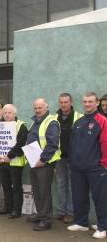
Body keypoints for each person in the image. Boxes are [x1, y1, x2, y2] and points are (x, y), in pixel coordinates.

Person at [67, 92, 107, 239]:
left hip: (96, 168)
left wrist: (104, 164)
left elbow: (105, 143)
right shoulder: (79, 122)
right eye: (85, 101)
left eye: (90, 101)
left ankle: (103, 226)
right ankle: (82, 222)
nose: (87, 104)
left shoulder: (102, 121)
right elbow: (72, 145)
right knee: (79, 197)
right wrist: (72, 162)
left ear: (97, 103)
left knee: (101, 198)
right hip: (78, 168)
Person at [26, 98, 60, 231]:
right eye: (35, 108)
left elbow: (52, 144)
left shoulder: (51, 122)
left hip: (44, 163)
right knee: (37, 190)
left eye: (40, 107)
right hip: (34, 161)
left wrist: (43, 160)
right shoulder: (35, 121)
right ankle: (41, 214)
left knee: (44, 191)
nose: (37, 110)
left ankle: (46, 220)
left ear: (46, 107)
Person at [54, 93, 83, 224]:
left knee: (72, 186)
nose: (63, 104)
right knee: (60, 185)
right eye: (61, 102)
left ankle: (70, 213)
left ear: (71, 102)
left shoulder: (79, 117)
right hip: (59, 158)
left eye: (66, 102)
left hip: (73, 158)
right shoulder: (54, 117)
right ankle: (60, 211)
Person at [0, 104, 28, 218]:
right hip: (3, 161)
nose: (7, 115)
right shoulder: (0, 126)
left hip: (15, 162)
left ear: (15, 114)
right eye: (5, 113)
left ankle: (16, 210)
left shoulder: (21, 126)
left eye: (9, 113)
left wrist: (10, 155)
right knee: (5, 185)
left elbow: (21, 144)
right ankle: (7, 207)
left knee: (16, 187)